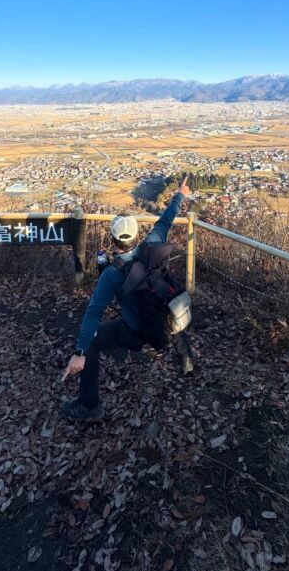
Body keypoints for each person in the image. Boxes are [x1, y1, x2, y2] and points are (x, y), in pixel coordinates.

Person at [61, 176, 194, 422]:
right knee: (163, 306)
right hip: (163, 323)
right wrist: (180, 195)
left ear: (113, 240)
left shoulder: (111, 274)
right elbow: (166, 219)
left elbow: (94, 312)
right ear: (136, 235)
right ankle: (187, 360)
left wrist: (80, 350)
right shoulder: (152, 244)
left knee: (93, 343)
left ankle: (89, 406)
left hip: (133, 332)